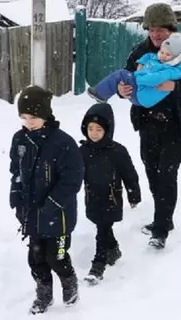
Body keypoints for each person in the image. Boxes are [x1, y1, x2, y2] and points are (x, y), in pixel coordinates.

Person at [116, 3, 181, 249]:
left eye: (161, 30)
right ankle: (164, 218)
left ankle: (160, 228)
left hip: (178, 122)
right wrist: (122, 90)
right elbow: (126, 77)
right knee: (151, 171)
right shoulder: (141, 51)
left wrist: (175, 87)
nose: (156, 35)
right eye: (152, 30)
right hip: (148, 121)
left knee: (167, 173)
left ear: (172, 28)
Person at [8, 85, 84, 315]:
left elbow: (73, 179)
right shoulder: (20, 140)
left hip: (58, 215)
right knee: (37, 258)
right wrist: (16, 196)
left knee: (56, 257)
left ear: (46, 114)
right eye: (23, 117)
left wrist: (52, 204)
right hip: (32, 212)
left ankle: (69, 284)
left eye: (33, 117)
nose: (28, 122)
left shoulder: (63, 143)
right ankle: (44, 294)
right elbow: (16, 171)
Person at [79, 102, 141, 285]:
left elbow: (129, 174)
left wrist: (133, 193)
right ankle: (113, 249)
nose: (94, 133)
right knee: (103, 228)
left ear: (108, 129)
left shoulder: (117, 151)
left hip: (111, 198)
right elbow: (73, 173)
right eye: (90, 128)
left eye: (99, 129)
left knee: (102, 229)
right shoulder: (82, 151)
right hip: (91, 198)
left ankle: (98, 266)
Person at [87, 32, 181, 108]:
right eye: (162, 52)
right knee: (121, 76)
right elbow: (149, 56)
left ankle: (100, 94)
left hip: (142, 96)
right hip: (139, 93)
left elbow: (153, 79)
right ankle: (102, 94)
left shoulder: (172, 71)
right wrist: (141, 63)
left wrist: (138, 75)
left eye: (168, 54)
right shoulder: (160, 59)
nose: (163, 56)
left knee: (121, 74)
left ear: (176, 57)